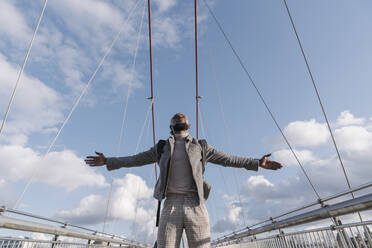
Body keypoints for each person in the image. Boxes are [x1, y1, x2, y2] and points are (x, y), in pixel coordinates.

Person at [85, 113, 282, 248]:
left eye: (183, 117)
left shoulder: (201, 146)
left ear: (188, 125)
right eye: (175, 118)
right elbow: (135, 159)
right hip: (170, 204)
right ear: (171, 127)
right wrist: (109, 161)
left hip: (196, 204)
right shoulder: (161, 147)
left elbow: (228, 159)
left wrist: (257, 163)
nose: (180, 116)